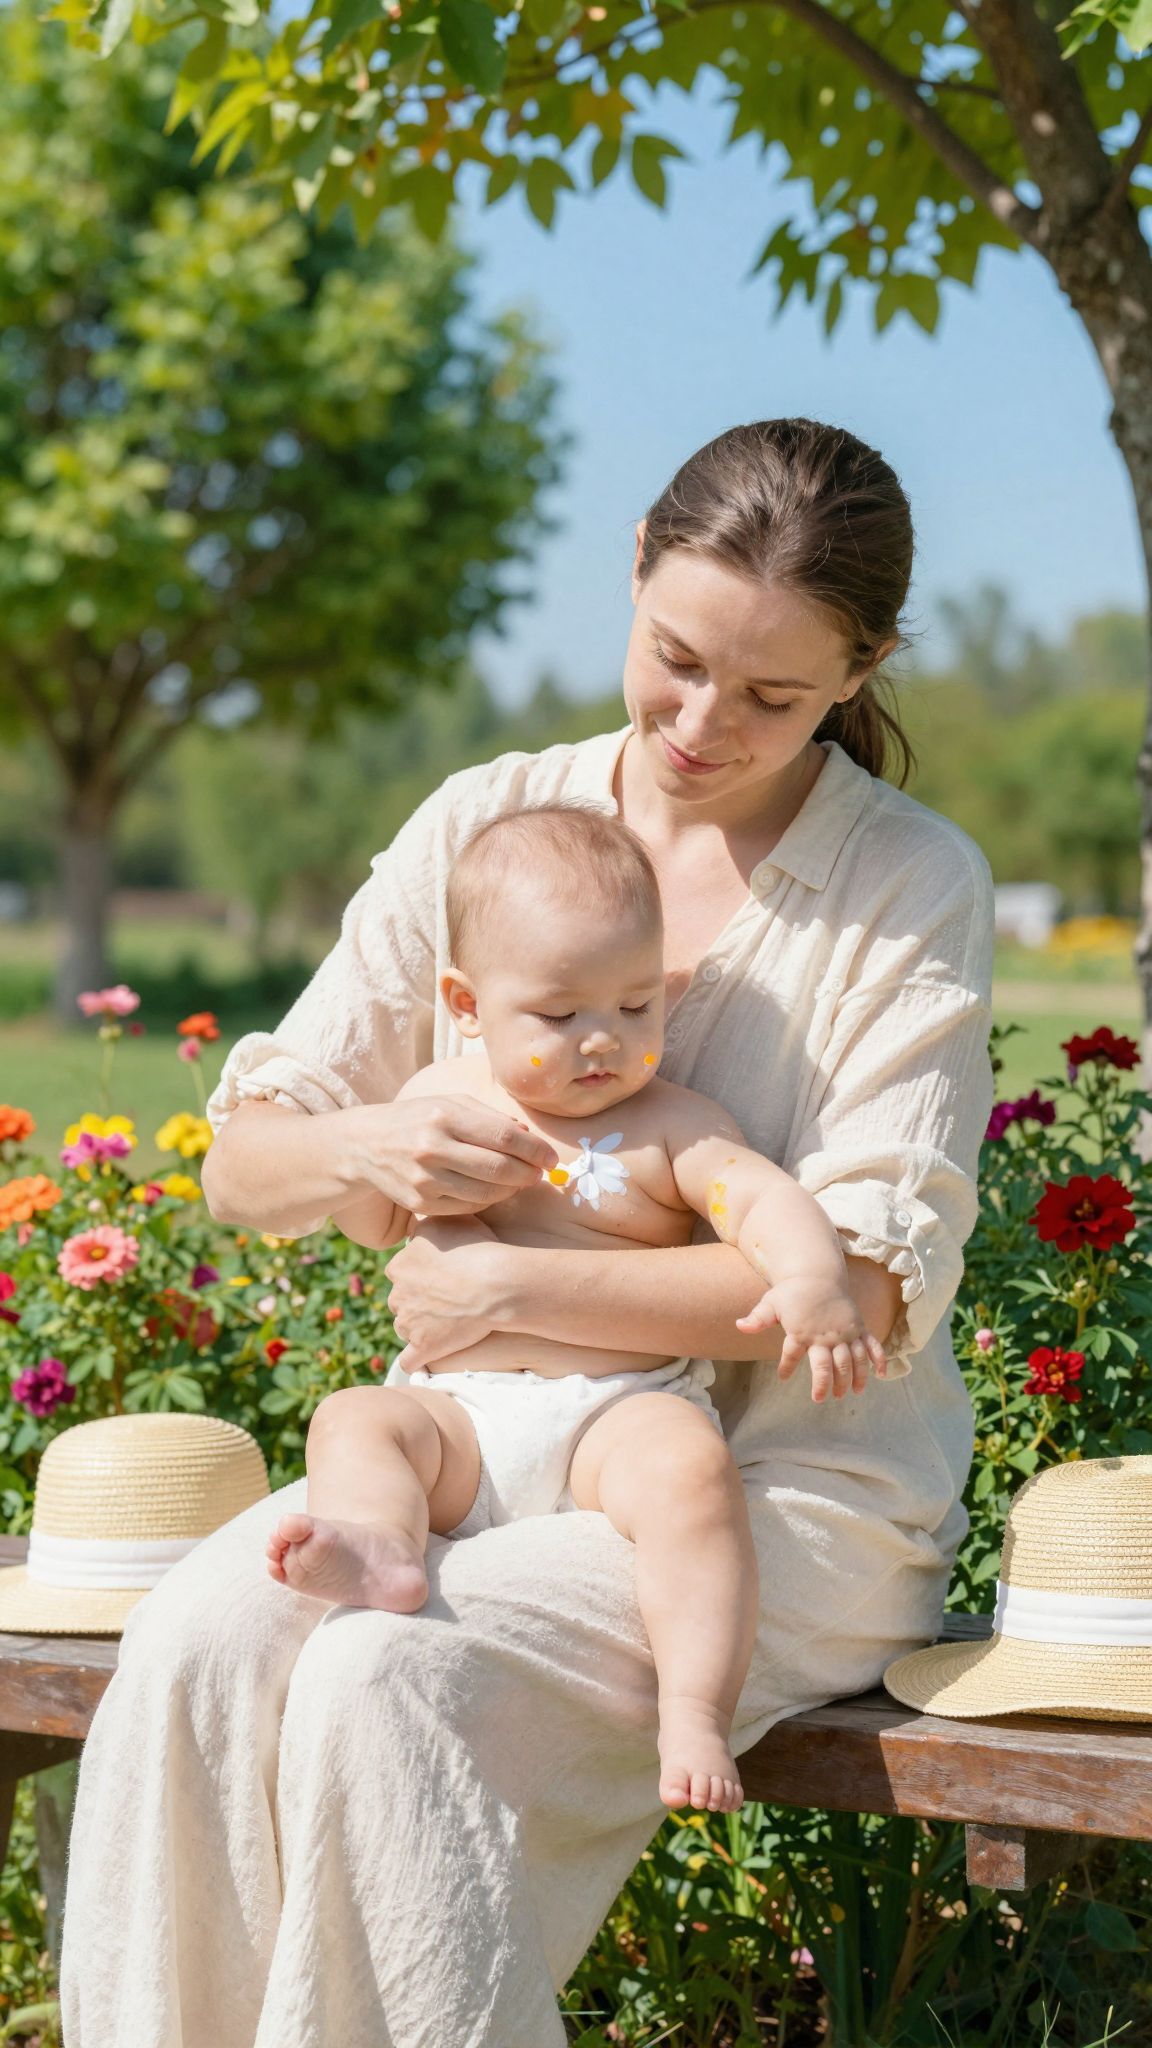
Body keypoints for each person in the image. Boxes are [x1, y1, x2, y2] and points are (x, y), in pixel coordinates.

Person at [59, 417, 995, 2048]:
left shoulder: (905, 882)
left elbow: (848, 1284)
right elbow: (246, 1163)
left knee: (381, 1676)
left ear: (864, 667)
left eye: (774, 695)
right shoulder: (486, 822)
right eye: (676, 659)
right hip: (486, 1462)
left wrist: (504, 1278)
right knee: (201, 1643)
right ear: (634, 562)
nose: (705, 725)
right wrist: (367, 1134)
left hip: (781, 1496)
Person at [267, 803, 892, 1815]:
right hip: (459, 1413)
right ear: (468, 1002)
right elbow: (374, 1214)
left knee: (691, 1475)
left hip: (613, 1410)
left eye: (637, 1006)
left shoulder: (670, 1128)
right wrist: (375, 1149)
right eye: (559, 1016)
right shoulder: (440, 1096)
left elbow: (761, 1198)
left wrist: (811, 1280)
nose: (601, 1039)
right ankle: (381, 1545)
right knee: (355, 1421)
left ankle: (693, 1703)